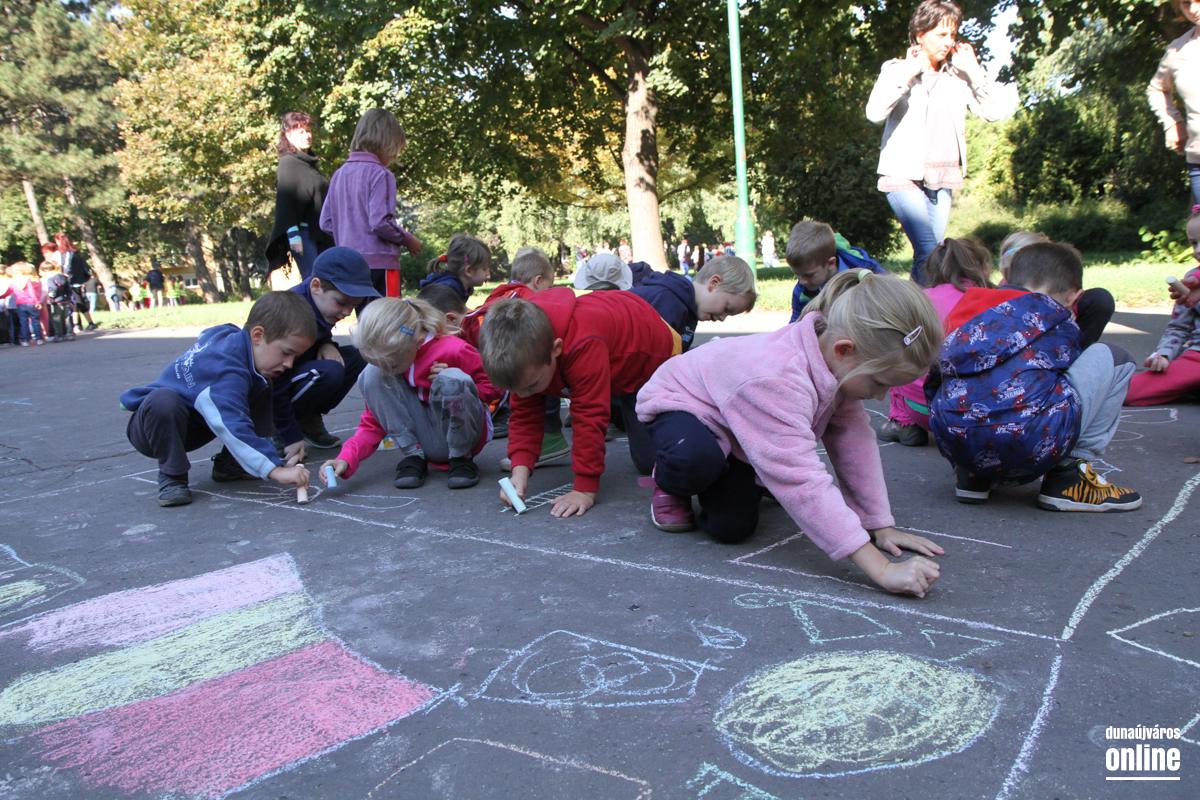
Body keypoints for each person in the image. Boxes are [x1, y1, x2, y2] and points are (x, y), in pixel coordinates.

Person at [636, 270, 945, 597]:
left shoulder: (841, 364)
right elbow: (799, 479)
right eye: (880, 383)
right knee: (695, 458)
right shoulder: (777, 378)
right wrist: (882, 569)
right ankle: (670, 479)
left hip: (742, 426)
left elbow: (854, 444)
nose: (880, 397)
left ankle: (751, 466)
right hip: (684, 404)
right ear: (843, 350)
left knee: (731, 528)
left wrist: (878, 524)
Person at [928, 242, 1142, 512]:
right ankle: (1069, 476)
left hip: (956, 443)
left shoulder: (968, 306)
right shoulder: (1054, 316)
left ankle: (973, 476)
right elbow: (1066, 376)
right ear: (1073, 295)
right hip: (1027, 443)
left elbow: (934, 378)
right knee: (1115, 357)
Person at [479, 288, 681, 518]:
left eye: (531, 385)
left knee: (653, 462)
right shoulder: (527, 354)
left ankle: (696, 371)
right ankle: (619, 407)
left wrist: (585, 488)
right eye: (516, 390)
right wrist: (519, 472)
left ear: (556, 349)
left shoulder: (582, 343)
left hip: (650, 356)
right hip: (608, 357)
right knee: (593, 395)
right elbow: (525, 415)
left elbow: (589, 416)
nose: (523, 395)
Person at [120, 291, 316, 506]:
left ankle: (231, 464)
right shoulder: (225, 372)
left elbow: (209, 333)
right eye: (286, 353)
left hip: (196, 421)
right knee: (164, 400)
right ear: (258, 336)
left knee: (260, 381)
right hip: (151, 429)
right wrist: (275, 469)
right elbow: (231, 424)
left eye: (294, 356)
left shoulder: (231, 336)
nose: (289, 364)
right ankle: (172, 475)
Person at [866, 0, 1011, 284]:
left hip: (944, 176)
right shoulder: (897, 70)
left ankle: (911, 305)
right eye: (941, 34)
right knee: (929, 251)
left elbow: (993, 112)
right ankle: (931, 308)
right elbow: (874, 113)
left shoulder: (958, 76)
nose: (948, 42)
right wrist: (908, 73)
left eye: (952, 35)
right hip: (903, 174)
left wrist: (974, 70)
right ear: (920, 34)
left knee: (929, 255)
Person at [320, 297, 500, 491]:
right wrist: (345, 458)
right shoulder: (392, 361)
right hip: (422, 441)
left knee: (452, 378)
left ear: (417, 343)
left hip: (462, 435)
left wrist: (457, 383)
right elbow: (375, 420)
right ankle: (413, 456)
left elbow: (496, 388)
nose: (387, 373)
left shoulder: (454, 349)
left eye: (392, 366)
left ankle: (461, 458)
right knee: (372, 373)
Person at [622, 255, 758, 475]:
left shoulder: (687, 308)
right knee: (652, 461)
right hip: (629, 378)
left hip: (635, 380)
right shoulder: (669, 301)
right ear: (714, 283)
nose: (722, 318)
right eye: (727, 308)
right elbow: (653, 364)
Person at [879, 237, 994, 446]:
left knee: (901, 345)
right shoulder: (995, 300)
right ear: (983, 267)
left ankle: (902, 422)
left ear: (932, 269)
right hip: (980, 412)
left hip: (922, 411)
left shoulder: (919, 299)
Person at [458, 247, 563, 455]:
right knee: (544, 368)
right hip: (508, 350)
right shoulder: (528, 298)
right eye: (549, 287)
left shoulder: (500, 292)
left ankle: (517, 433)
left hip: (485, 350)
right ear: (538, 281)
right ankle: (549, 433)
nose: (549, 291)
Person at [273, 247, 379, 452]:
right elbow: (274, 383)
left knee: (360, 355)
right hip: (271, 390)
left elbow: (317, 330)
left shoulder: (320, 303)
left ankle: (307, 417)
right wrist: (288, 432)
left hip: (296, 370)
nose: (347, 312)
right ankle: (276, 427)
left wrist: (326, 343)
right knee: (330, 370)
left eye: (354, 305)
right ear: (316, 286)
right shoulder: (289, 315)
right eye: (341, 303)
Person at [320, 108, 423, 302]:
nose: (393, 159)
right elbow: (380, 222)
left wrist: (350, 234)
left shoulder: (339, 174)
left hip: (349, 263)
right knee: (389, 315)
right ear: (388, 144)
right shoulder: (381, 174)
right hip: (380, 263)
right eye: (395, 152)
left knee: (365, 316)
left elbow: (326, 222)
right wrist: (409, 240)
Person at [1126, 208, 1200, 405]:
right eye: (1194, 243)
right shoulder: (1190, 280)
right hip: (1197, 359)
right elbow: (1179, 327)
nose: (1198, 250)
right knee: (1130, 391)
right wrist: (1164, 354)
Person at [997, 230, 1115, 349]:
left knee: (1100, 298)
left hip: (1059, 333)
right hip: (1029, 343)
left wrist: (1067, 311)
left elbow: (1065, 297)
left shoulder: (1056, 282)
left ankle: (1076, 351)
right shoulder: (1002, 294)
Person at [266, 112, 333, 281]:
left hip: (319, 233)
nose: (307, 136)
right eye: (300, 132)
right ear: (288, 135)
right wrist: (294, 236)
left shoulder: (309, 164)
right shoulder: (288, 163)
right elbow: (286, 201)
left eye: (308, 131)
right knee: (314, 281)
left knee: (326, 280)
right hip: (303, 235)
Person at [1148, 0, 1200, 205]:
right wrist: (1172, 122)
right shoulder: (1177, 50)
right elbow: (1156, 89)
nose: (1193, 9)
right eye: (1187, 3)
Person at [786, 220, 887, 323]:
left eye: (809, 275)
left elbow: (889, 299)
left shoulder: (865, 272)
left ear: (831, 263)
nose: (802, 281)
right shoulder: (802, 290)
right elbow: (796, 322)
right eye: (797, 274)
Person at [419, 233, 491, 303]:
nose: (487, 273)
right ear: (469, 271)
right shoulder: (448, 288)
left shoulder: (464, 287)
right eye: (484, 269)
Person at [54, 233, 98, 330]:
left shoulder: (67, 254)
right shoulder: (75, 252)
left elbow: (67, 267)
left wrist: (63, 279)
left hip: (72, 281)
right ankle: (80, 324)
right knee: (78, 302)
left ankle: (79, 325)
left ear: (59, 241)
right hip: (78, 280)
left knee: (76, 303)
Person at [9, 262, 46, 346]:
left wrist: (1, 296)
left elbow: (9, 291)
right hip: (31, 303)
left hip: (20, 304)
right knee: (35, 321)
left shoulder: (13, 281)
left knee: (23, 323)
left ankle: (25, 340)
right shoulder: (27, 279)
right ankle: (39, 339)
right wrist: (37, 301)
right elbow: (32, 291)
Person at [40, 261, 75, 342]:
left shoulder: (49, 278)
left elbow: (52, 289)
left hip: (56, 301)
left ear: (45, 270)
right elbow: (69, 290)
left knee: (57, 320)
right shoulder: (63, 277)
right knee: (66, 319)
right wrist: (69, 299)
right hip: (65, 301)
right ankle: (69, 334)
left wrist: (51, 297)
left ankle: (59, 335)